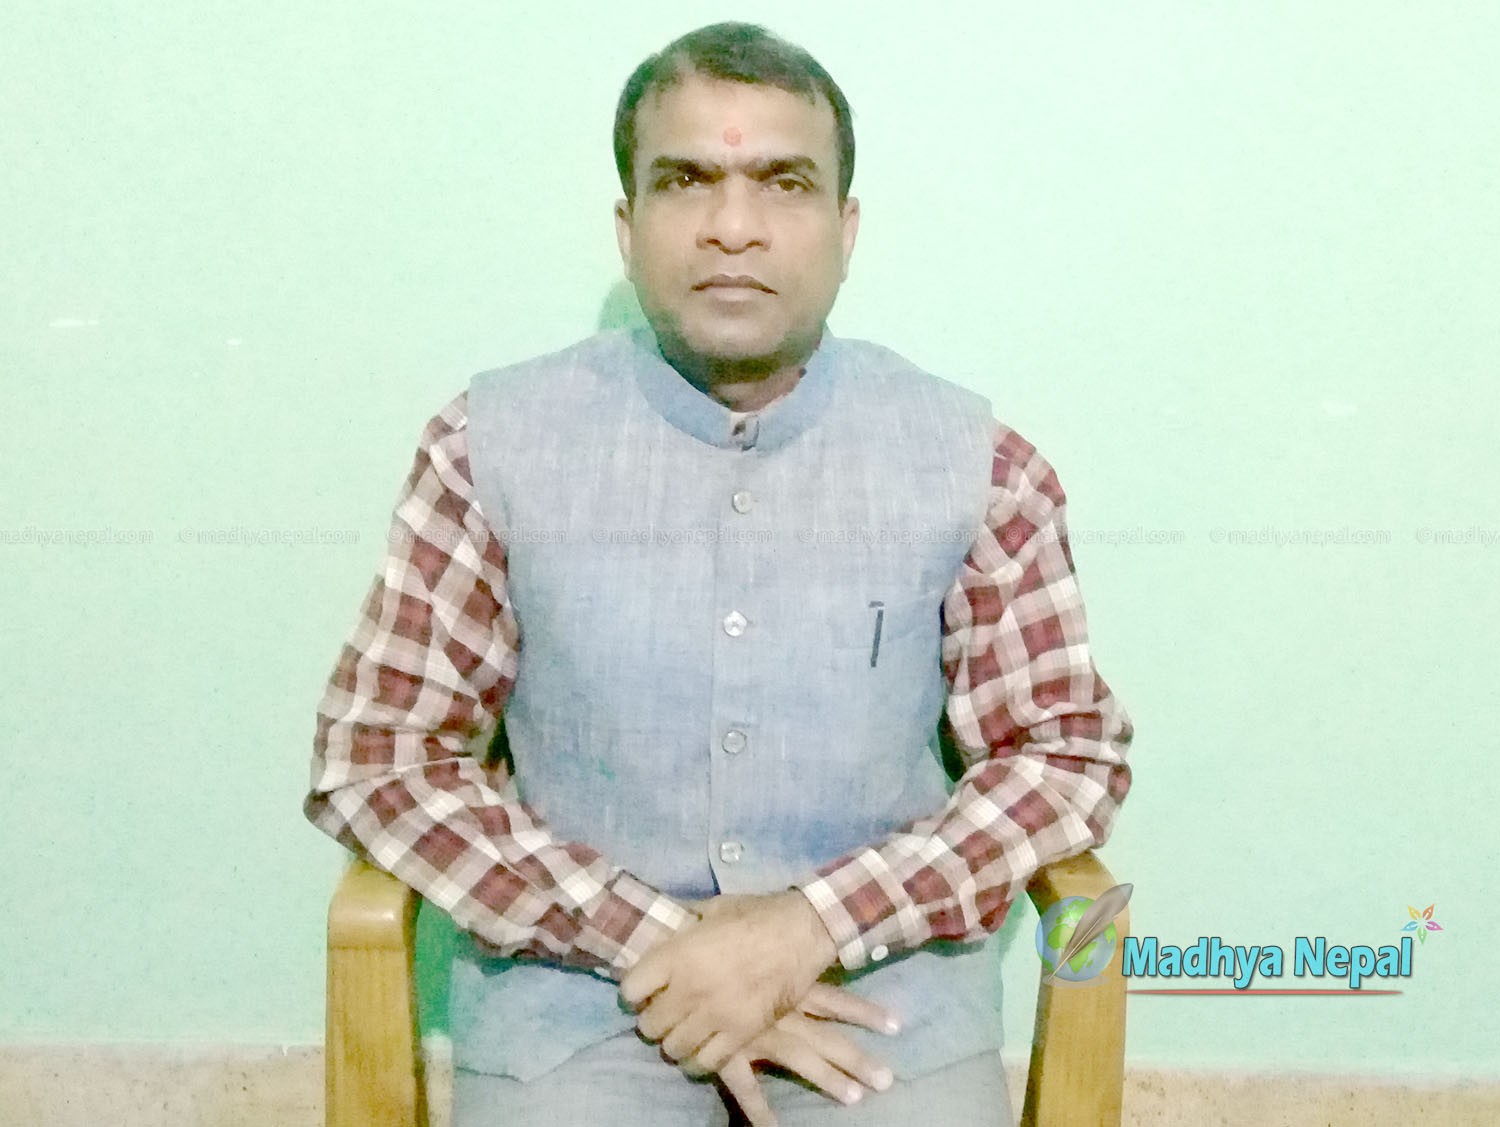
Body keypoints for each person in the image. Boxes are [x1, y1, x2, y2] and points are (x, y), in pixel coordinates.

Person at [305, 21, 1132, 1127]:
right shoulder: (487, 446)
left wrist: (807, 926)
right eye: (686, 180)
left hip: (878, 992)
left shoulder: (978, 463)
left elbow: (1066, 754)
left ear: (846, 231)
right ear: (627, 227)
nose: (733, 227)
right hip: (575, 995)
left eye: (783, 183)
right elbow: (379, 755)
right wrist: (663, 942)